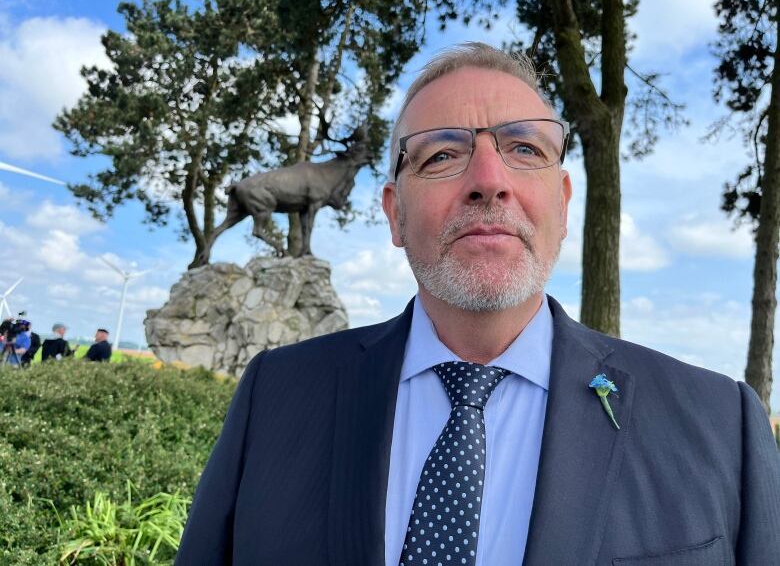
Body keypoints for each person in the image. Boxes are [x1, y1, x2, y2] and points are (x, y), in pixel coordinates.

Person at [175, 43, 780, 566]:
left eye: (524, 150)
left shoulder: (721, 425)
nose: (490, 178)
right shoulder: (273, 397)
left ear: (565, 205)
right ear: (394, 213)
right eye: (440, 155)